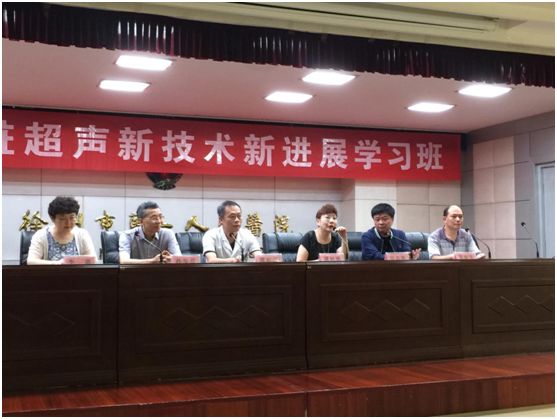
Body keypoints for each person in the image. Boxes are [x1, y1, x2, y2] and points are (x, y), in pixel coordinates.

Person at [27, 196, 97, 265]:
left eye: (72, 218)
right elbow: (31, 261)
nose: (68, 223)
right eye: (62, 219)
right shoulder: (41, 235)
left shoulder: (82, 234)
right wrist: (57, 264)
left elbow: (93, 260)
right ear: (52, 218)